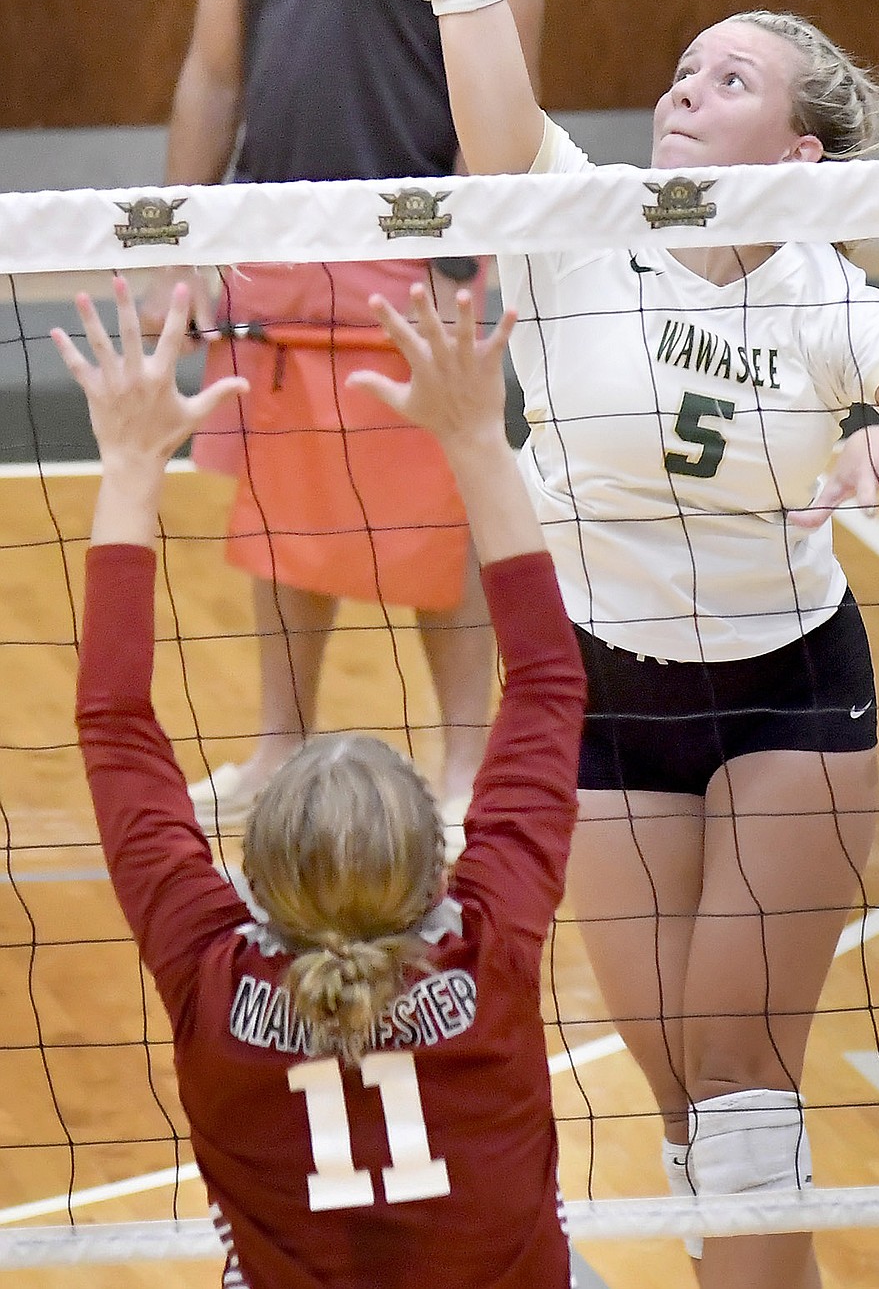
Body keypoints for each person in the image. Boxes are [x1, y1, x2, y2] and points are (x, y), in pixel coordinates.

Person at [408, 0, 879, 1288]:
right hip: (602, 695)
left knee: (747, 1079)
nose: (683, 91)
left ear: (798, 154)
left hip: (787, 694)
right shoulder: (574, 214)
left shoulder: (832, 297)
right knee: (684, 1093)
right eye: (683, 71)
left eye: (727, 81)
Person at [54, 273, 586, 1289]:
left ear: (251, 878)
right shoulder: (490, 947)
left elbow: (112, 725)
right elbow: (553, 681)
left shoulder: (212, 972)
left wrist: (129, 464)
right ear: (440, 862)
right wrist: (475, 435)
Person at [140, 0, 543, 846]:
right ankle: (276, 748)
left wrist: (483, 237)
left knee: (441, 510)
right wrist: (182, 242)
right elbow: (214, 74)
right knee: (280, 514)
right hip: (270, 238)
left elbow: (510, 80)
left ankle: (468, 758)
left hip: (417, 245)